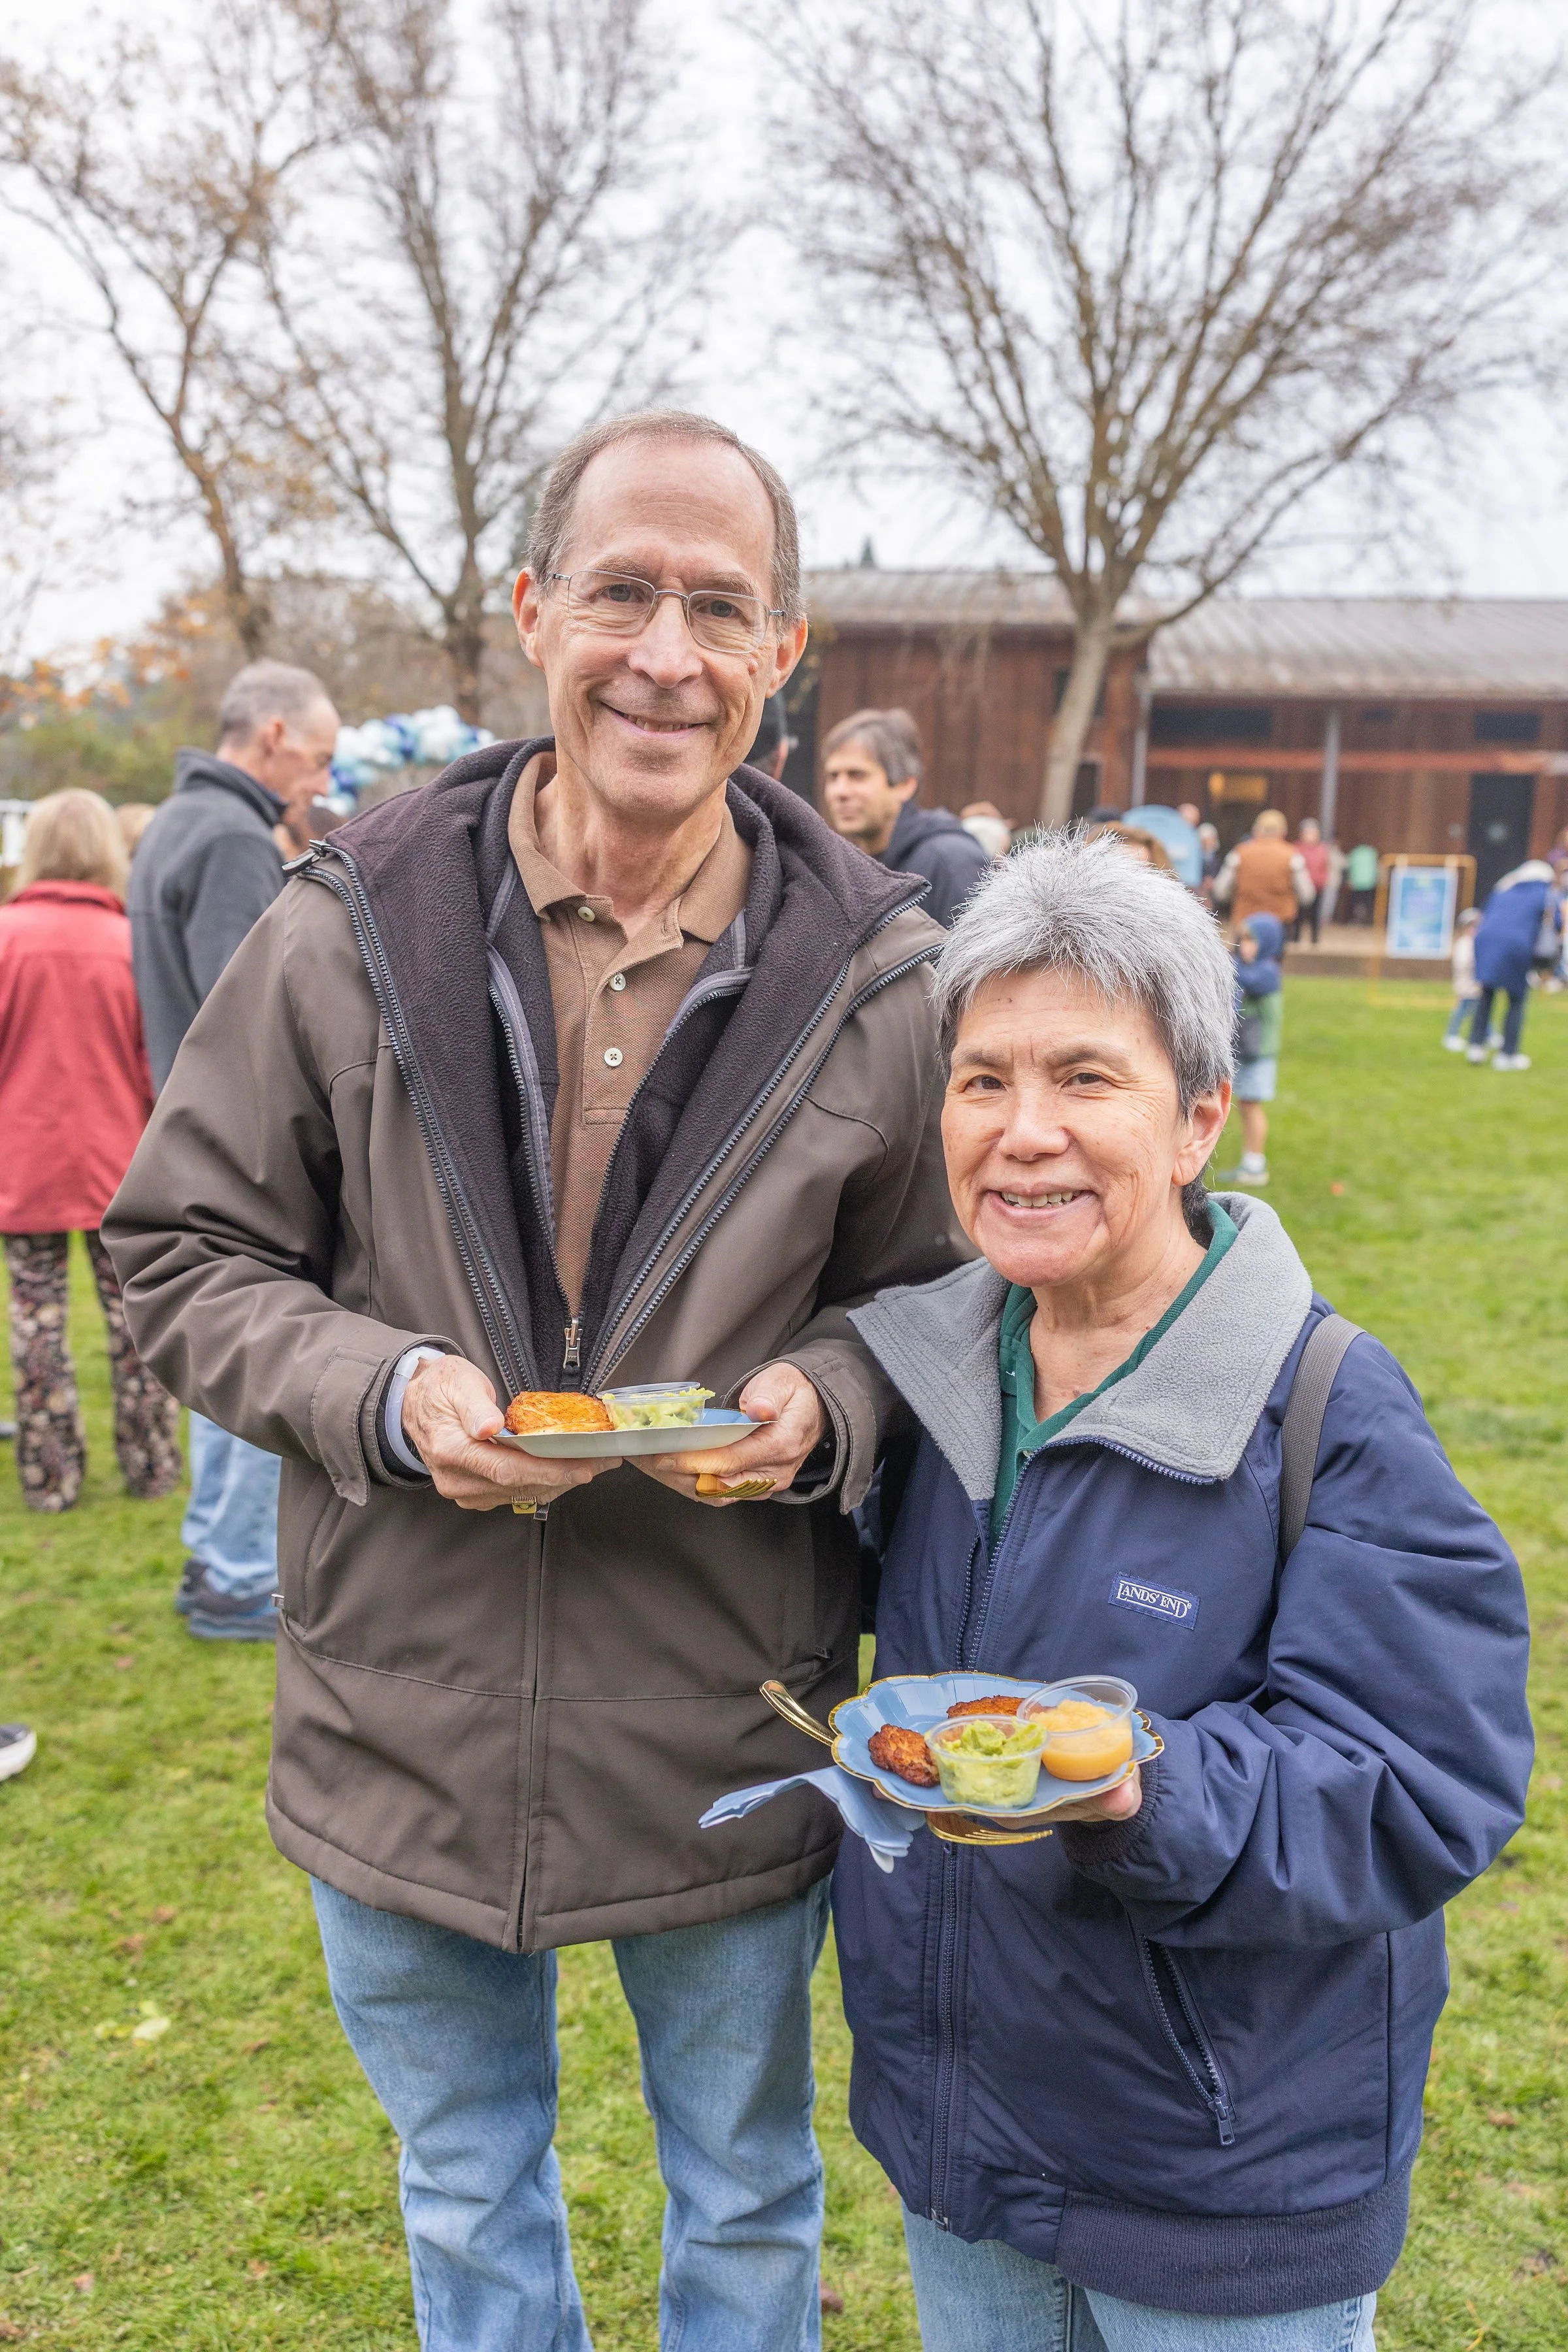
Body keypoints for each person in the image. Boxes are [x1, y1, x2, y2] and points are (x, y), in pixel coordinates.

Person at [105, 407, 965, 2352]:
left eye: (718, 607)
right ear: (530, 610)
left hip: (722, 1727)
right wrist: (378, 1394)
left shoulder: (882, 984)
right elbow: (181, 1250)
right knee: (465, 2186)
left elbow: (943, 1305)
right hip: (396, 1700)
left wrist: (832, 1402)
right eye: (623, 591)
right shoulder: (345, 928)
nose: (665, 651)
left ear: (782, 648)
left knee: (743, 2195)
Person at [833, 832, 1531, 2352]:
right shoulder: (924, 1380)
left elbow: (1423, 1781)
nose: (1021, 1134)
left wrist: (1133, 1780)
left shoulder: (1324, 1410)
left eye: (1084, 1079)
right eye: (980, 1080)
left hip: (1219, 2192)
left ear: (1198, 1117)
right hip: (963, 2154)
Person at [128, 659, 341, 1640]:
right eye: (320, 758)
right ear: (273, 739)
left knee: (224, 1352)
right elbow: (249, 1005)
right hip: (243, 1145)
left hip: (191, 1122)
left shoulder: (178, 820)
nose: (322, 782)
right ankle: (236, 1569)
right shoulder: (227, 838)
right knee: (257, 1348)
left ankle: (219, 1557)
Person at [0, 791, 180, 1514]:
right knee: (137, 1319)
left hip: (24, 1167)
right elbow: (157, 1064)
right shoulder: (132, 943)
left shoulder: (7, 938)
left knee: (36, 1318)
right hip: (120, 1165)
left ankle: (51, 1478)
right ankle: (151, 1463)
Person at [822, 706, 991, 926]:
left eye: (857, 775)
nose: (840, 792)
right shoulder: (852, 866)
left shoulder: (951, 861)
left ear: (905, 785)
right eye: (833, 777)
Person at [1467, 858, 1558, 1071]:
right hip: (1517, 947)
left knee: (1487, 994)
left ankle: (1476, 1047)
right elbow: (1555, 924)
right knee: (1516, 1000)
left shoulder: (1504, 890)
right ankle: (1507, 1054)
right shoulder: (1544, 894)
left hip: (1486, 943)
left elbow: (1486, 913)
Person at [1217, 911, 1285, 1188]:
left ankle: (1255, 1166)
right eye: (1242, 940)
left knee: (1251, 1105)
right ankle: (1250, 1162)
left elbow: (1246, 979)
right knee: (1245, 1105)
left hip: (1259, 1054)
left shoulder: (1267, 971)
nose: (1245, 946)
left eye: (1252, 941)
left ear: (1268, 943)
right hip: (1248, 1050)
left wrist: (1223, 960)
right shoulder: (1251, 967)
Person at [1211, 808, 1314, 929]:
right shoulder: (1292, 855)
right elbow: (1307, 895)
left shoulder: (1240, 853)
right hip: (1280, 922)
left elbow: (1220, 891)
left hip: (1246, 922)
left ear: (1257, 830)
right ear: (1283, 831)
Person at [1443, 906, 1482, 1051]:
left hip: (1475, 985)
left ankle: (1489, 1034)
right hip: (1467, 985)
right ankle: (1451, 1035)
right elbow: (1463, 963)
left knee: (1479, 1010)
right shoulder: (1465, 944)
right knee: (1463, 1009)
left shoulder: (1475, 943)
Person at [1293, 816, 1330, 943]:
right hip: (1300, 888)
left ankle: (1315, 938)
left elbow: (1325, 867)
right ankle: (1295, 937)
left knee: (1316, 915)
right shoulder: (1296, 848)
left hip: (1317, 887)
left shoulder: (1322, 849)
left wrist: (1323, 881)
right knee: (1298, 915)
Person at [1345, 841, 1380, 924]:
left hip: (1357, 883)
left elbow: (1351, 868)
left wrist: (1349, 880)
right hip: (1369, 882)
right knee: (1367, 902)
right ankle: (1366, 919)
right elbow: (1375, 868)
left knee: (1357, 902)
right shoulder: (1371, 853)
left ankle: (1357, 919)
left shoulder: (1355, 853)